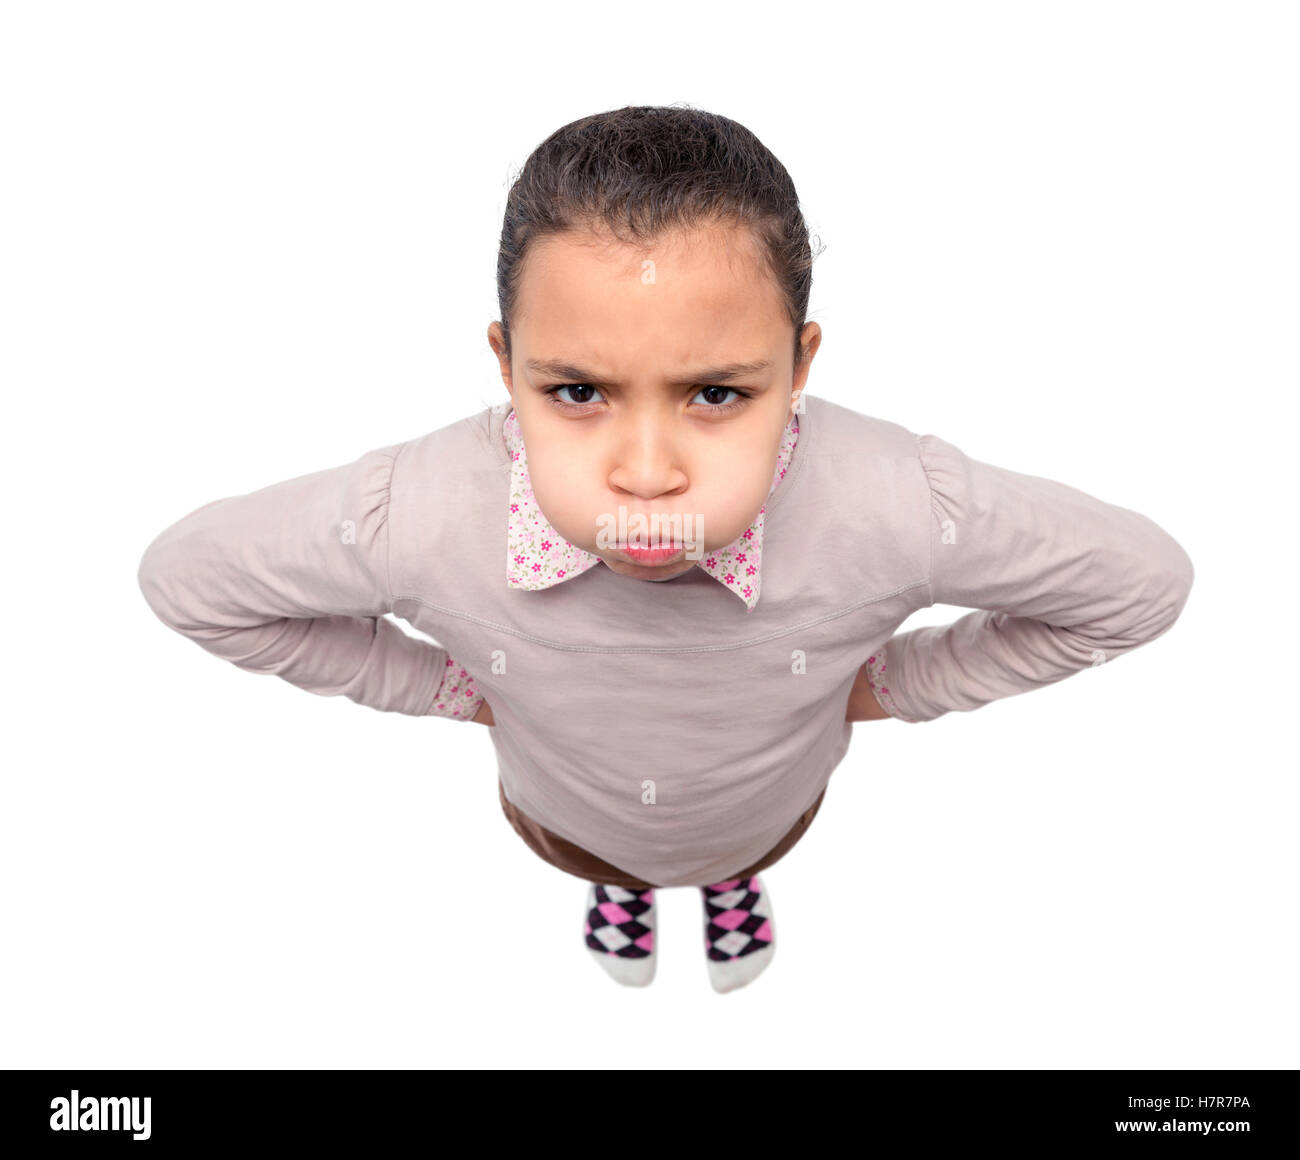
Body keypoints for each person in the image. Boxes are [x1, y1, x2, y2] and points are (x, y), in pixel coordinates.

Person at [137, 105, 1195, 994]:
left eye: (718, 392)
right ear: (507, 366)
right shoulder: (414, 511)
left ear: (798, 363)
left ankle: (726, 880)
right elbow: (191, 582)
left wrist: (891, 685)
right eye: (578, 391)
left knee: (733, 845)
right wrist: (446, 686)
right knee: (612, 853)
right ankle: (625, 885)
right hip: (566, 810)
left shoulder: (897, 504)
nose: (647, 473)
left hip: (769, 806)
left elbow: (1137, 587)